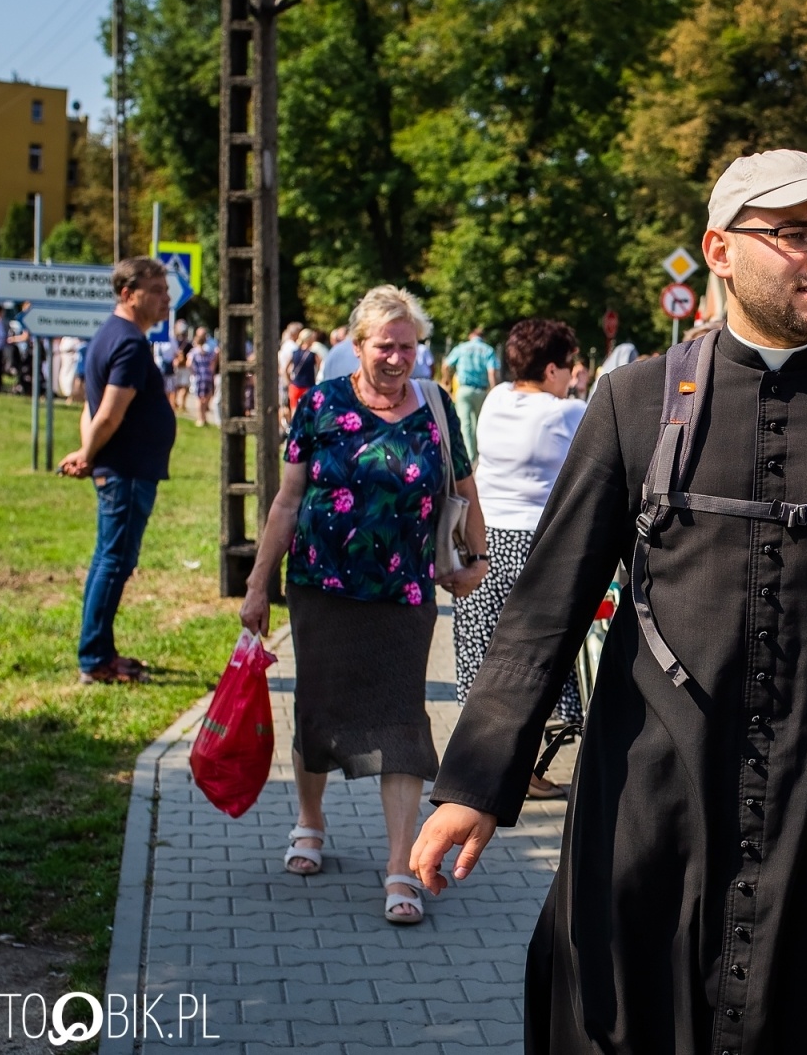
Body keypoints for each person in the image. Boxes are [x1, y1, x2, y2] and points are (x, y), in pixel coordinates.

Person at [412, 149, 807, 1054]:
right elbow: (546, 606)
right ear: (719, 250)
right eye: (793, 232)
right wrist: (476, 781)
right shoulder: (633, 402)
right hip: (647, 799)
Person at [239, 285, 489, 926]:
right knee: (318, 709)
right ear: (357, 346)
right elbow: (287, 501)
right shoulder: (320, 405)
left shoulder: (434, 409)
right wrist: (258, 586)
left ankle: (399, 867)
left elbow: (464, 488)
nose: (398, 358)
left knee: (403, 724)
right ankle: (309, 819)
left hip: (404, 594)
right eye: (386, 346)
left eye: (408, 347)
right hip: (322, 588)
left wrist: (478, 559)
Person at [449, 319, 587, 801]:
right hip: (536, 546)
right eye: (569, 366)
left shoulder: (495, 400)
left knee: (485, 655)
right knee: (532, 661)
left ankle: (477, 770)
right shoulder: (566, 414)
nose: (573, 375)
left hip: (484, 539)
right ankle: (518, 772)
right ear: (552, 368)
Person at [56, 259, 176, 685]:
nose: (167, 297)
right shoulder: (127, 343)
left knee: (109, 560)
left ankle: (99, 650)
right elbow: (107, 413)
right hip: (125, 471)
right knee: (113, 562)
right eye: (157, 289)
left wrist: (86, 449)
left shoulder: (111, 335)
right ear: (128, 293)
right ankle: (94, 659)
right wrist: (89, 454)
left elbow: (92, 407)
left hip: (123, 469)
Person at [441, 326, 499, 458]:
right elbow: (492, 372)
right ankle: (479, 454)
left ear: (470, 336)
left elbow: (446, 365)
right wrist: (494, 390)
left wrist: (446, 380)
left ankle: (469, 455)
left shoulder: (462, 348)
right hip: (481, 391)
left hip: (464, 389)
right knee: (480, 423)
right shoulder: (488, 350)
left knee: (465, 423)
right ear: (483, 337)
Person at [286, 328, 321, 413]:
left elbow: (286, 369)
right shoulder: (313, 355)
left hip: (295, 385)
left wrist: (289, 382)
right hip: (308, 386)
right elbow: (320, 367)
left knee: (294, 411)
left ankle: (294, 426)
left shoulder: (294, 353)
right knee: (308, 411)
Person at [189, 327, 218, 426]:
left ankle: (201, 418)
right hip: (208, 375)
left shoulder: (194, 351)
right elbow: (213, 360)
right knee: (206, 396)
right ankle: (203, 418)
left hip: (199, 376)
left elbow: (189, 364)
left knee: (200, 398)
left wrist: (193, 372)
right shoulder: (208, 349)